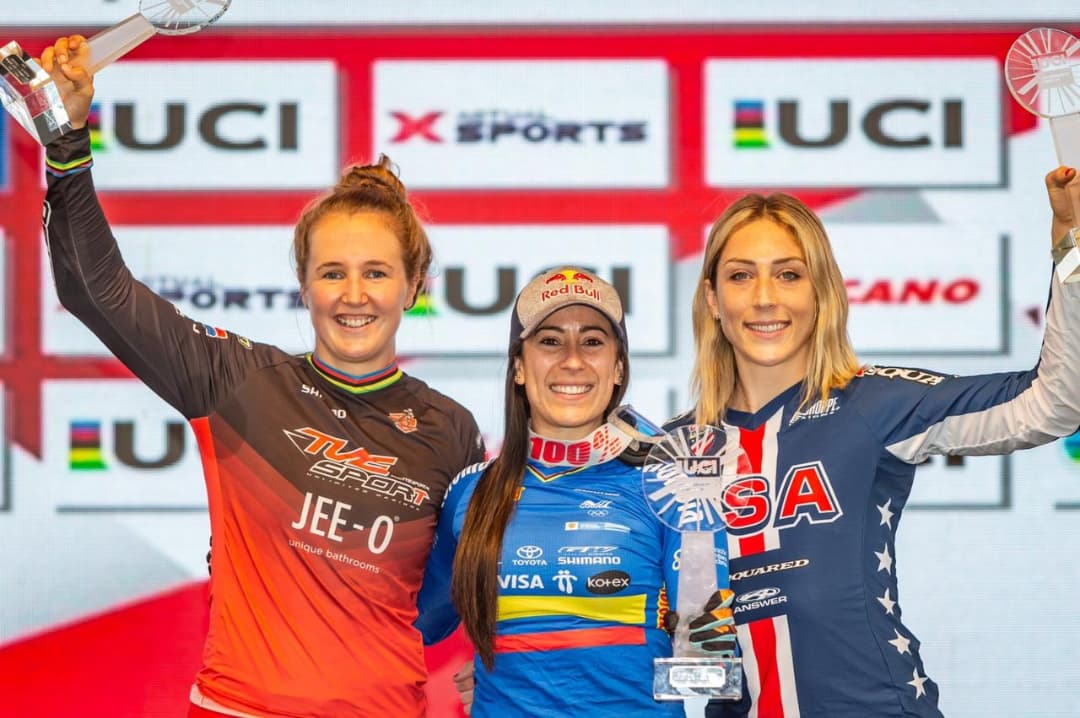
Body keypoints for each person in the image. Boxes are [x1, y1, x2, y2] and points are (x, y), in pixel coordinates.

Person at [39, 36, 484, 717]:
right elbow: (96, 292)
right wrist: (67, 141)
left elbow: (441, 606)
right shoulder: (236, 380)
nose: (353, 295)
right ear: (303, 285)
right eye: (331, 273)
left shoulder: (450, 429)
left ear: (413, 284)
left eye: (376, 272)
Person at [672, 177, 1080, 718]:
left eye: (789, 274)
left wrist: (1070, 245)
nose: (765, 297)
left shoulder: (874, 404)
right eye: (741, 275)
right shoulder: (673, 451)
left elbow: (1053, 403)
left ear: (822, 291)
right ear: (712, 298)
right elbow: (681, 639)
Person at [416, 267, 738, 717]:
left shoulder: (672, 485)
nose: (572, 360)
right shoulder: (471, 491)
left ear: (618, 367)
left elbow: (710, 673)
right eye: (550, 341)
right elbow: (414, 626)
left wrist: (662, 650)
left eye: (592, 342)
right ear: (519, 367)